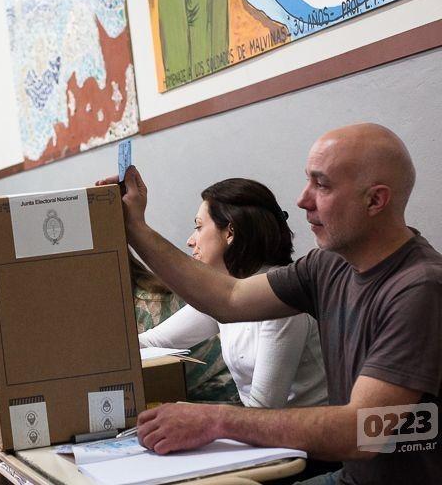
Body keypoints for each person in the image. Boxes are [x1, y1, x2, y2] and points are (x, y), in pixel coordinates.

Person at [97, 123, 441, 483]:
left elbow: (363, 430)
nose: (302, 200)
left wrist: (216, 420)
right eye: (307, 181)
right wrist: (135, 227)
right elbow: (229, 298)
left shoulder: (420, 288)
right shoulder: (329, 265)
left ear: (375, 200)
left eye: (322, 185)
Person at [138, 179, 327, 408]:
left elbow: (263, 409)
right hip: (255, 425)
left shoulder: (280, 300)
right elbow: (153, 342)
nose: (190, 241)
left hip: (302, 428)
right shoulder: (224, 296)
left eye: (199, 227)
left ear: (230, 232)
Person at [130, 255, 240, 404]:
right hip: (197, 400)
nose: (190, 243)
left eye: (199, 230)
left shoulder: (149, 305)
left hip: (220, 398)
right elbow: (152, 341)